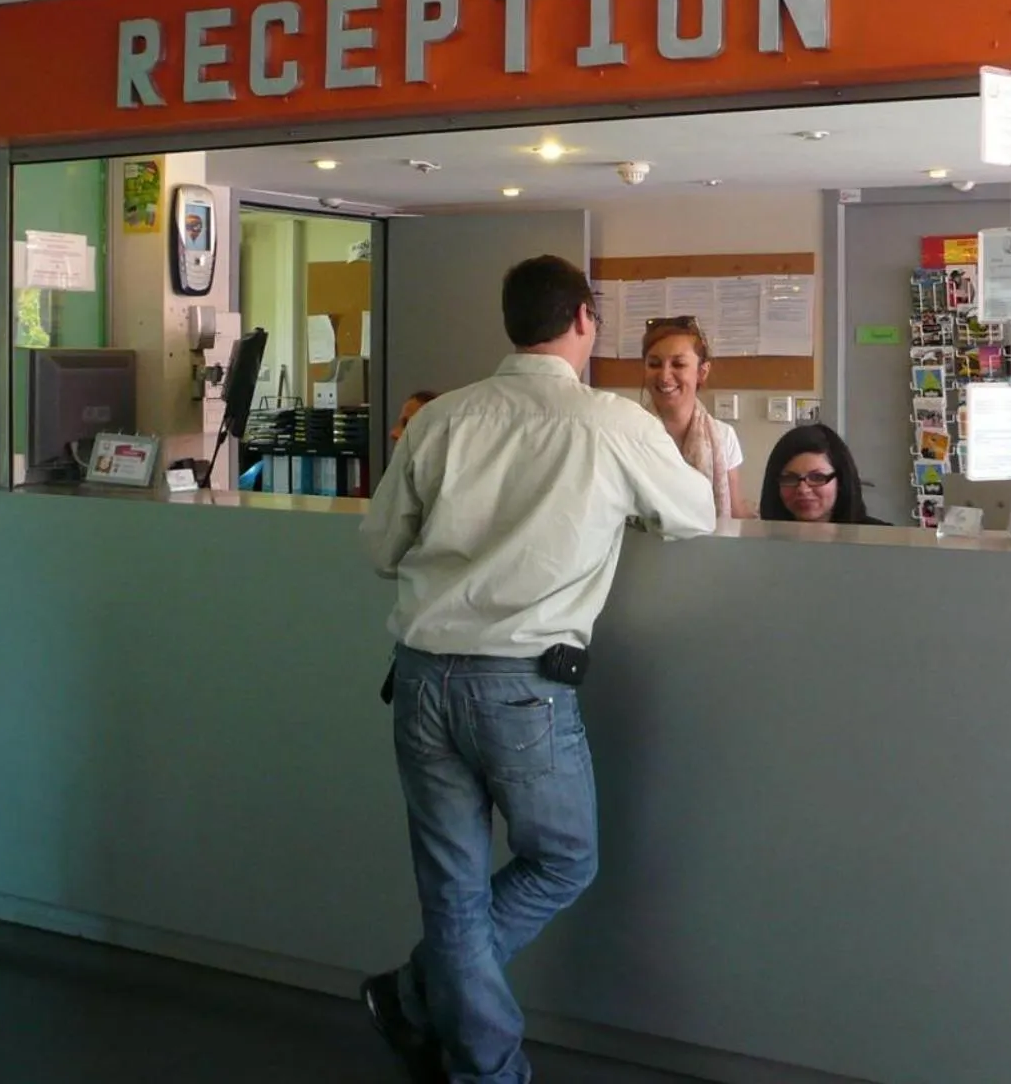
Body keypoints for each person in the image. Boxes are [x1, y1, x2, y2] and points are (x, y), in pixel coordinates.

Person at [357, 256, 717, 1083]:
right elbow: (693, 513)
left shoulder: (443, 418)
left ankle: (464, 1043)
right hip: (523, 686)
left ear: (512, 322)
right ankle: (417, 997)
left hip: (419, 675)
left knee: (451, 888)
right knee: (564, 860)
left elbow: (380, 549)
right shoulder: (610, 424)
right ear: (584, 319)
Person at [641, 315, 746, 518]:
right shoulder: (626, 432)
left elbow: (734, 513)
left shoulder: (724, 437)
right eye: (654, 364)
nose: (664, 376)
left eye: (678, 365)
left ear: (702, 372)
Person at [757, 424, 889, 526]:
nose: (803, 489)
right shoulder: (761, 543)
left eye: (817, 477)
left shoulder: (882, 540)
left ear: (840, 482)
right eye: (790, 478)